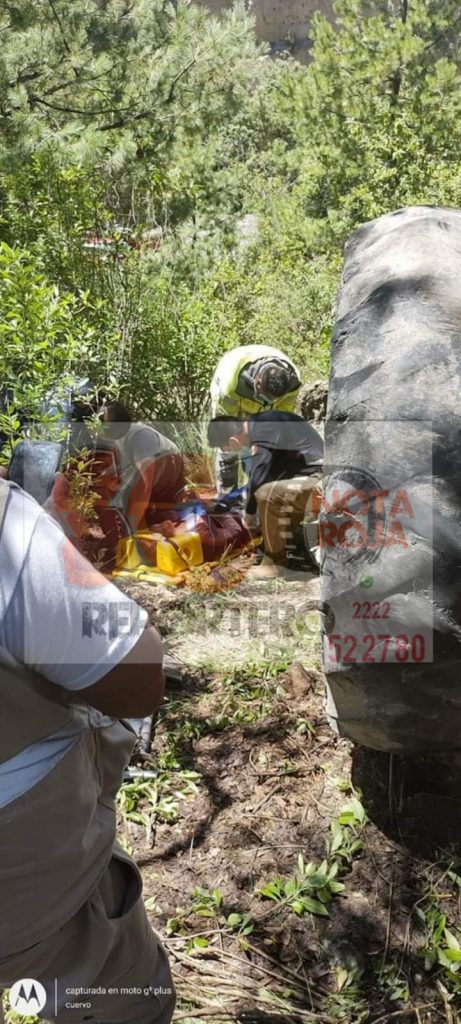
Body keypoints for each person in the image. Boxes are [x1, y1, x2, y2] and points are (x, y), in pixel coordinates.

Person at [0, 474, 175, 1024]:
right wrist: (61, 550)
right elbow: (138, 680)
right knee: (123, 993)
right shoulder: (7, 525)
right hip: (30, 888)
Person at [207, 411, 323, 580]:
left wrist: (249, 514)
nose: (230, 452)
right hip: (306, 479)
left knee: (266, 494)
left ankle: (274, 564)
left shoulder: (265, 425)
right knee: (263, 497)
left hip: (320, 479)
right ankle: (293, 545)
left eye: (227, 449)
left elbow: (260, 475)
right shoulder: (263, 425)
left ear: (233, 440)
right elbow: (265, 473)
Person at [210, 345, 302, 492]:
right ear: (257, 381)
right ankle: (226, 496)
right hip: (232, 398)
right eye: (263, 397)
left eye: (270, 401)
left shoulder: (292, 385)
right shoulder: (231, 384)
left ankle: (258, 492)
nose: (264, 403)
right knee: (228, 446)